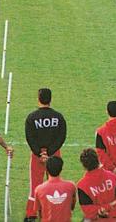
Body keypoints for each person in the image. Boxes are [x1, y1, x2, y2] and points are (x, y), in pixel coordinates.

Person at [24, 87, 67, 221]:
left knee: (35, 186)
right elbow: (61, 137)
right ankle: (54, 211)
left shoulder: (31, 117)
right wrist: (50, 152)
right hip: (54, 155)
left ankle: (31, 214)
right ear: (50, 99)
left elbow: (29, 137)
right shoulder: (58, 117)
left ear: (38, 99)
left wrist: (40, 153)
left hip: (37, 157)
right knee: (55, 183)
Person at [77, 147, 116, 220]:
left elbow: (87, 210)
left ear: (84, 166)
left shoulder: (82, 185)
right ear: (98, 160)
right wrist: (111, 213)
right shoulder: (112, 177)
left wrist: (103, 209)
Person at [33, 155, 77, 222]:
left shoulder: (39, 189)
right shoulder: (71, 186)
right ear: (61, 169)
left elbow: (39, 211)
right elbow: (72, 206)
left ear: (46, 170)